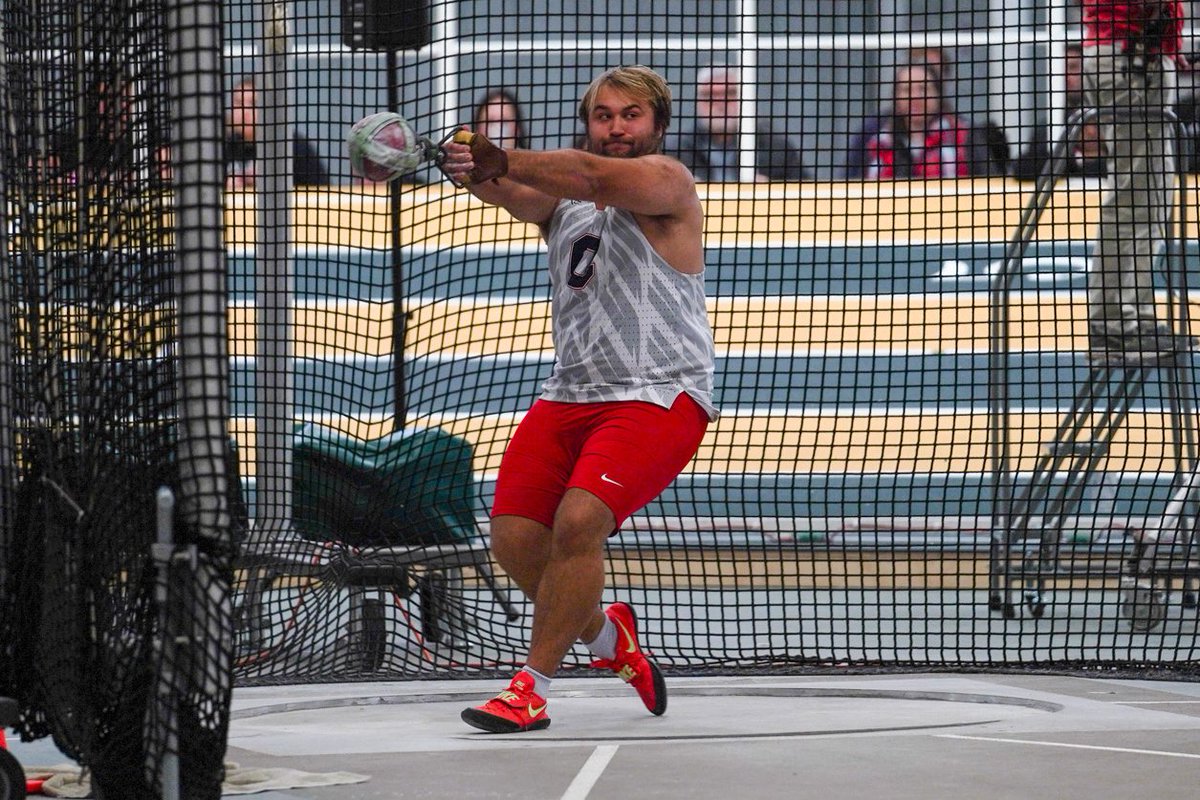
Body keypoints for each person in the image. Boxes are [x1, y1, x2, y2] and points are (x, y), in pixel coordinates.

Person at [438, 65, 718, 733]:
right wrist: (464, 163)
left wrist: (498, 157)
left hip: (658, 394)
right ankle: (606, 637)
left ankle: (529, 688)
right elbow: (512, 189)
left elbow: (590, 176)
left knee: (578, 524)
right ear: (586, 122)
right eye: (604, 116)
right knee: (511, 537)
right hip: (570, 393)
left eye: (631, 116)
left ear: (657, 125)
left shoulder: (667, 183)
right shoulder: (562, 203)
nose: (617, 127)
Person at [1080, 1, 1195, 357]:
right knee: (1133, 199)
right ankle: (1113, 324)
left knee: (1152, 199)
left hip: (1138, 54)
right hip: (1129, 57)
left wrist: (1169, 46)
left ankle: (1135, 317)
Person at [672, 63, 807, 181]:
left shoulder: (776, 148)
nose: (721, 103)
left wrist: (772, 193)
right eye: (709, 96)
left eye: (730, 94)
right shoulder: (676, 151)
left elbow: (807, 195)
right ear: (698, 102)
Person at [855, 62, 971, 179]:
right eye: (907, 89)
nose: (915, 97)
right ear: (896, 97)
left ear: (938, 94)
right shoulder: (878, 144)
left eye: (923, 88)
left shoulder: (964, 137)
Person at [1013, 44, 1110, 181]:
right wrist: (1078, 161)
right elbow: (1023, 168)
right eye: (1060, 69)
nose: (1065, 76)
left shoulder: (1113, 114)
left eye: (1073, 67)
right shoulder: (1051, 125)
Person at [224, 77, 330, 188]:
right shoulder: (223, 147)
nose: (244, 111)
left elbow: (322, 191)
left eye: (253, 103)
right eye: (238, 103)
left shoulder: (294, 146)